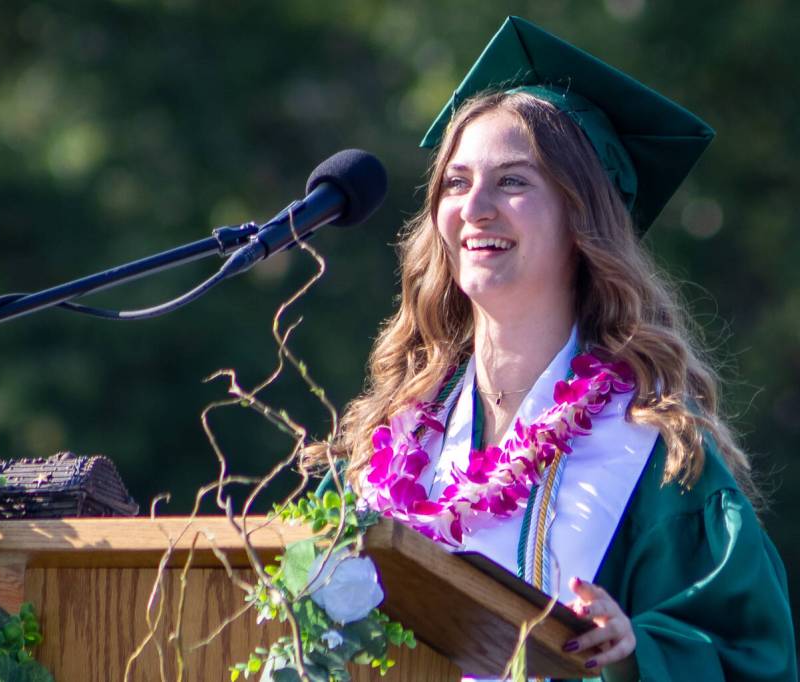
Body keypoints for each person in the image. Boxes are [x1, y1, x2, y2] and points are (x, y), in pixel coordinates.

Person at [317, 16, 796, 682]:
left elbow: (755, 661)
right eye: (455, 183)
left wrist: (634, 658)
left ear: (582, 219)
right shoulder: (386, 445)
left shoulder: (657, 460)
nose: (475, 207)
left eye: (513, 182)